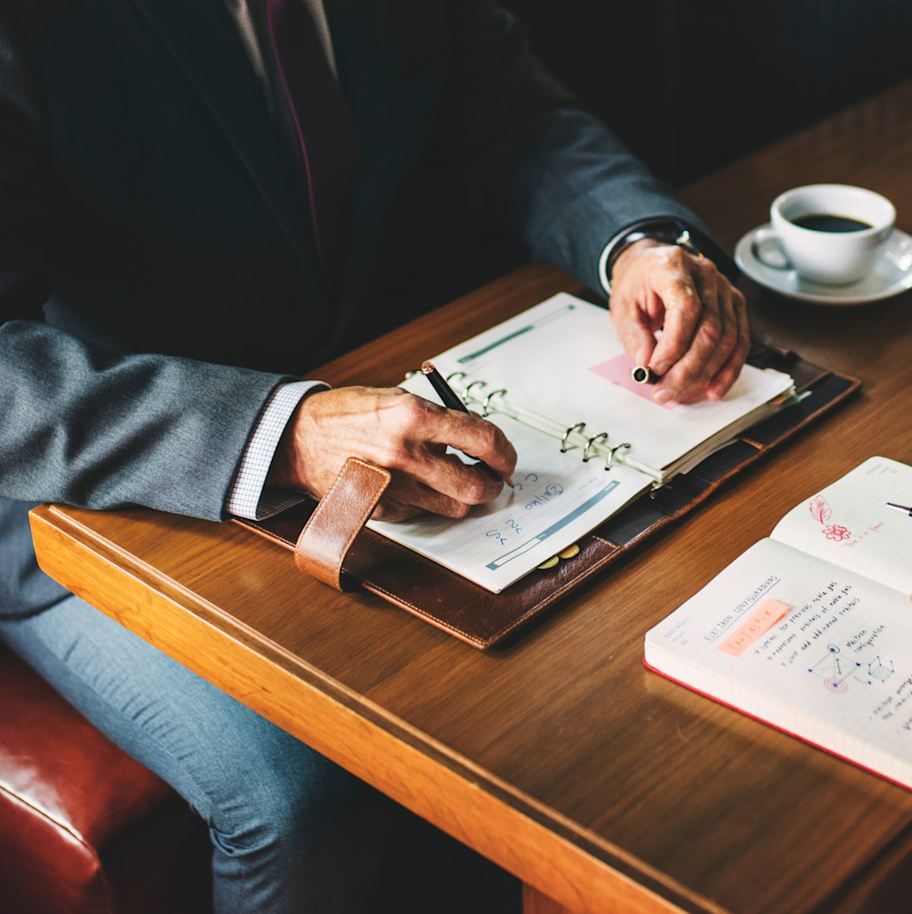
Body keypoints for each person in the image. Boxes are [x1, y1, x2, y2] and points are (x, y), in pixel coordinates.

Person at [0, 1, 747, 910]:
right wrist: (284, 431)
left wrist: (633, 241)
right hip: (91, 482)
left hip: (375, 396)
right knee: (304, 791)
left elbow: (513, 117)